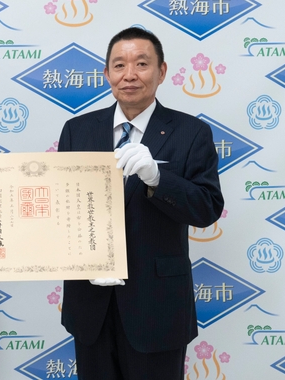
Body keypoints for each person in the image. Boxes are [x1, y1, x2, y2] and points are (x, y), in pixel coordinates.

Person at [58, 27, 224, 379]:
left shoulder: (191, 133)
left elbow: (206, 209)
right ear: (107, 74)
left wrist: (158, 178)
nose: (129, 75)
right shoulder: (77, 130)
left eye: (142, 64)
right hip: (90, 303)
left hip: (157, 305)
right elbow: (61, 208)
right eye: (119, 65)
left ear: (162, 72)